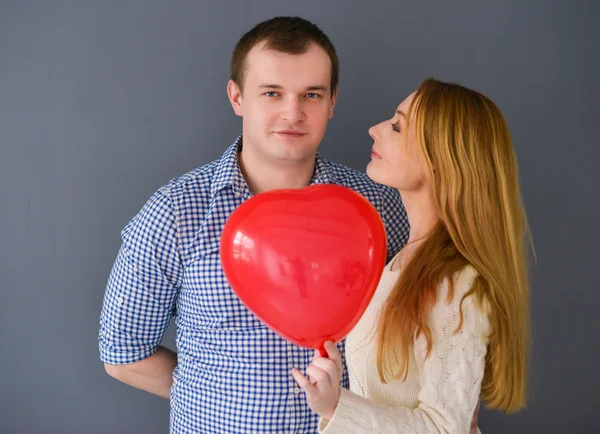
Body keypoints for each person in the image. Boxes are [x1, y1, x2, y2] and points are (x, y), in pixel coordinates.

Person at [98, 16, 409, 434]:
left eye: (311, 95)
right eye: (272, 93)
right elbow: (123, 352)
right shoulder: (175, 211)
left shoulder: (377, 207)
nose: (292, 113)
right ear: (237, 96)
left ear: (333, 101)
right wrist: (209, 397)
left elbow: (419, 334)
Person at [293, 78, 532, 434]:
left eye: (397, 126)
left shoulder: (456, 284)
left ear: (440, 159)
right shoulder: (403, 261)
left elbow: (444, 428)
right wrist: (342, 392)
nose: (374, 130)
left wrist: (338, 405)